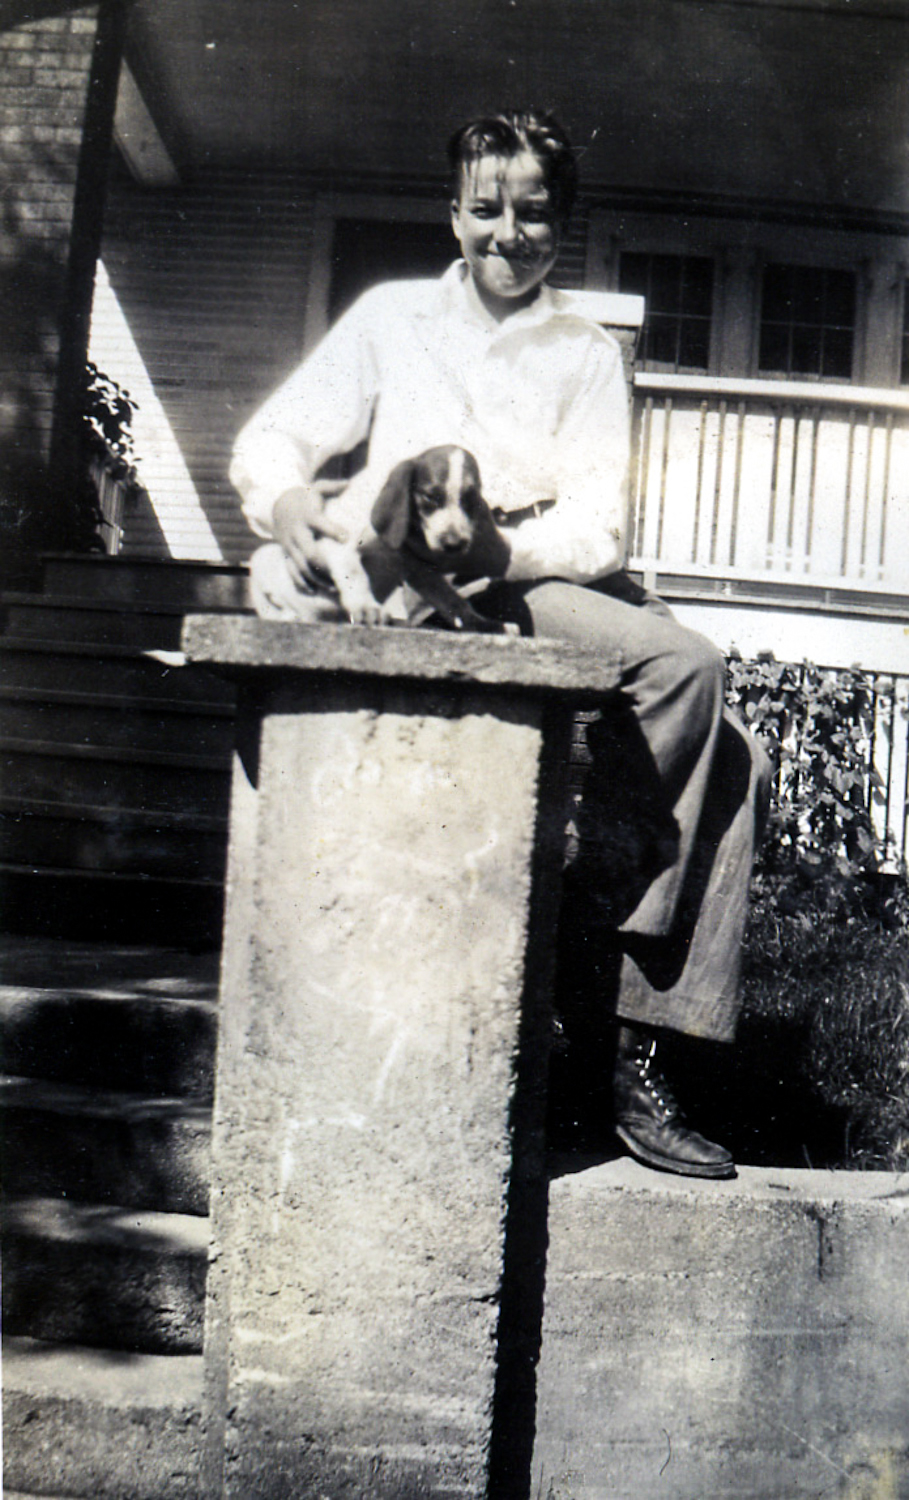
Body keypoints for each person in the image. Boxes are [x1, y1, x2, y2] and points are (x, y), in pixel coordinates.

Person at [230, 108, 771, 1180]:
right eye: (487, 209)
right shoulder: (392, 318)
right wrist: (287, 500)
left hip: (537, 572)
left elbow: (600, 526)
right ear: (455, 214)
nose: (508, 234)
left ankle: (625, 1038)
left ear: (562, 224)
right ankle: (604, 1000)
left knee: (734, 753)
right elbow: (275, 436)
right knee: (696, 684)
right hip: (418, 572)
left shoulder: (583, 351)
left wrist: (503, 554)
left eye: (533, 213)